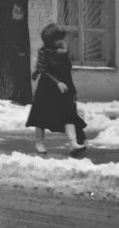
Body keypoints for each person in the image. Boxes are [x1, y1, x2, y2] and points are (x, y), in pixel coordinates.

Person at [26, 22, 87, 155]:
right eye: (58, 38)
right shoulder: (43, 52)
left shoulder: (64, 51)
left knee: (69, 115)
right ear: (50, 39)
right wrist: (57, 83)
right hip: (47, 87)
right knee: (41, 116)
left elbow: (67, 71)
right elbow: (43, 70)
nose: (61, 41)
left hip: (64, 88)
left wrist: (72, 89)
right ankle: (39, 142)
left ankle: (73, 144)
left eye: (61, 38)